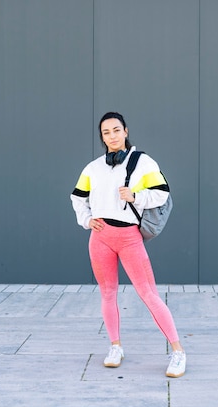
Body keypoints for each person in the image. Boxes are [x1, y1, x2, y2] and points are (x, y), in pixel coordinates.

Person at [70, 111, 186, 378]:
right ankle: (115, 346)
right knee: (107, 294)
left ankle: (178, 351)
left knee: (149, 294)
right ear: (102, 137)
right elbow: (77, 198)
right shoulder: (93, 167)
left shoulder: (143, 162)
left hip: (129, 237)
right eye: (106, 132)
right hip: (100, 238)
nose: (111, 136)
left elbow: (162, 193)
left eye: (116, 130)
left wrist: (136, 196)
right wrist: (87, 219)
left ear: (125, 131)